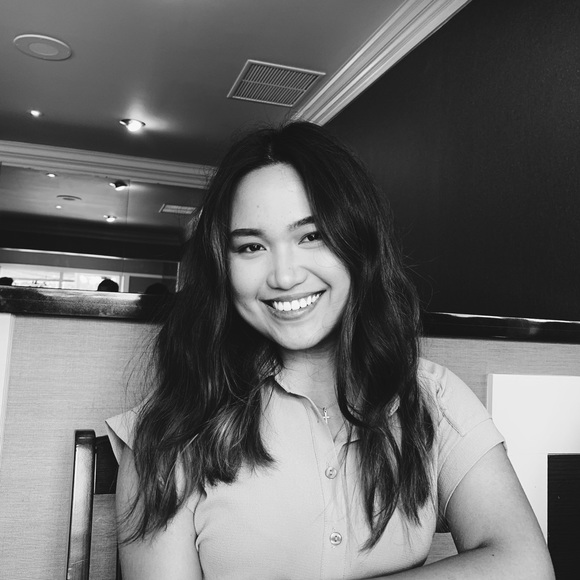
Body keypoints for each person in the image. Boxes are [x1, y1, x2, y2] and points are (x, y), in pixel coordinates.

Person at [106, 121, 554, 579]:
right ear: (223, 265)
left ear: (358, 242)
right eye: (252, 246)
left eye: (311, 236)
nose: (284, 275)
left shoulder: (432, 397)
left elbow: (525, 565)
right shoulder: (170, 431)